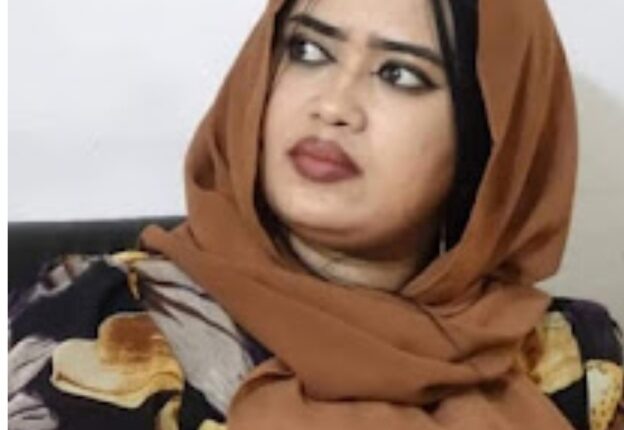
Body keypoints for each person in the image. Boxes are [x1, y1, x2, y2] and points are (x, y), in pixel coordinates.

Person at [8, 0, 624, 429]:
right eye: (307, 50)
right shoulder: (93, 326)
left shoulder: (574, 359)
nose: (333, 104)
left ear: (493, 144)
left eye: (400, 74)